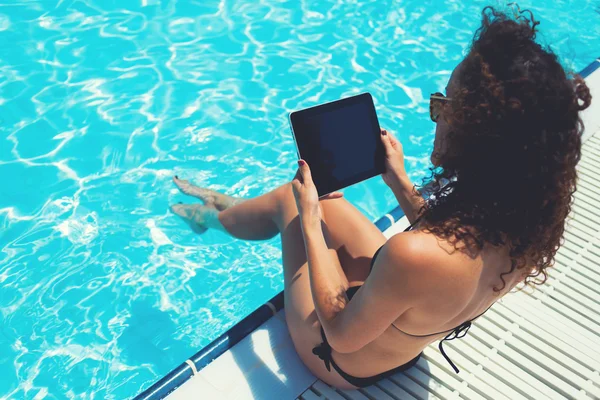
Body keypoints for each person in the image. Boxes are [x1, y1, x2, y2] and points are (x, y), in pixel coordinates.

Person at [170, 6, 591, 390]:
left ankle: (207, 216)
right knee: (328, 203)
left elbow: (339, 332)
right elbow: (452, 250)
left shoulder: (415, 253)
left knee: (292, 203)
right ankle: (224, 207)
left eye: (443, 104)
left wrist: (309, 219)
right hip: (400, 339)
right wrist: (398, 180)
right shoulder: (523, 224)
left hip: (339, 361)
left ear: (477, 133)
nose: (437, 114)